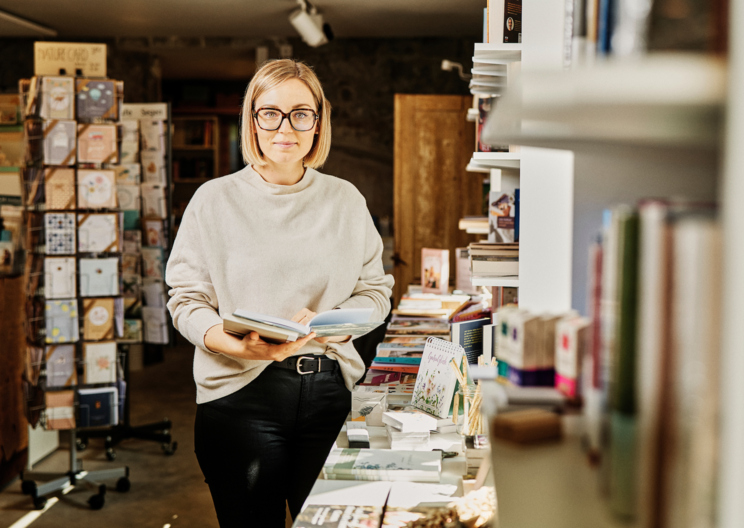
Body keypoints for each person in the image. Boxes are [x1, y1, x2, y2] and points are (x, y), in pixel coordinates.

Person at [165, 59, 394, 527]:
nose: (285, 127)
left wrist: (334, 320)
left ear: (318, 122)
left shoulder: (346, 200)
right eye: (270, 113)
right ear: (252, 120)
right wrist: (236, 345)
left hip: (329, 393)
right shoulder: (214, 200)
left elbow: (376, 294)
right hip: (237, 396)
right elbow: (185, 300)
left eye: (301, 113)